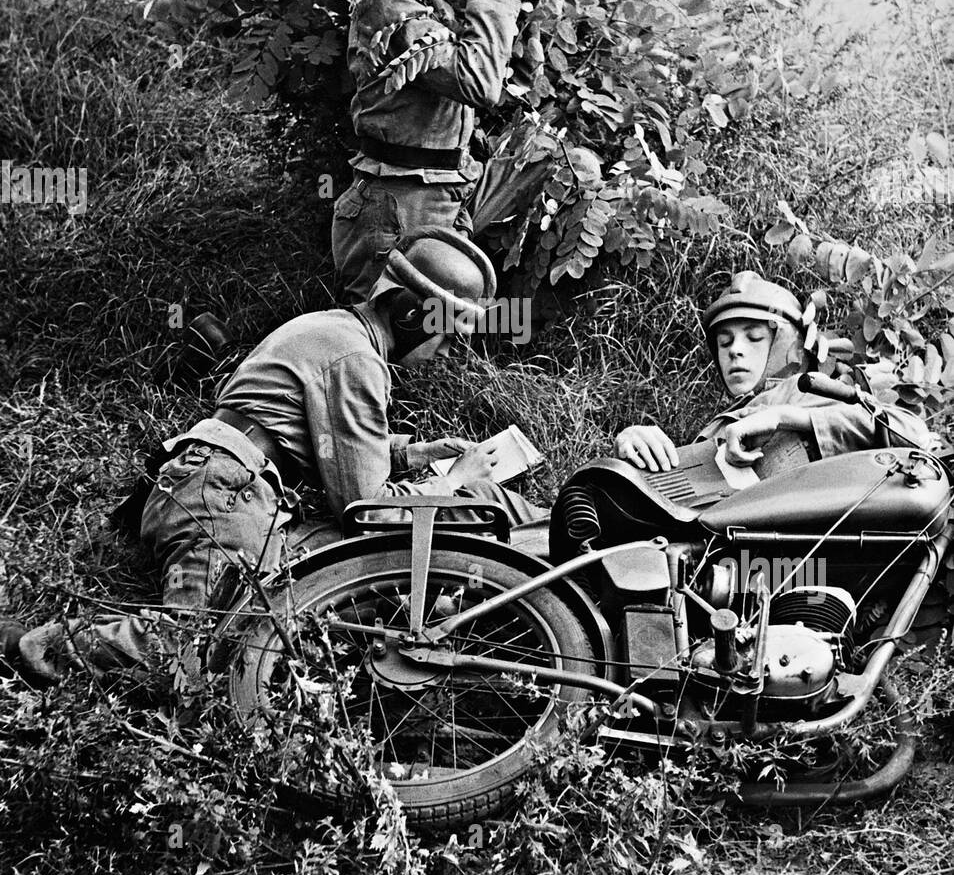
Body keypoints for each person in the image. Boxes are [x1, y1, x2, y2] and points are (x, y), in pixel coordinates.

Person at [9, 229, 546, 684]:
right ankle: (28, 647)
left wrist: (414, 454)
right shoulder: (356, 360)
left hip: (215, 481)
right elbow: (369, 511)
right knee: (199, 652)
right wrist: (453, 483)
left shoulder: (338, 333)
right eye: (446, 337)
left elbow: (315, 437)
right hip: (222, 492)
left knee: (308, 595)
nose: (446, 353)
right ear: (410, 314)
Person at [332, 0, 528, 302]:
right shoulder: (385, 1)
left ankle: (516, 320)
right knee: (405, 343)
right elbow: (479, 85)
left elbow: (508, 74)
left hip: (452, 188)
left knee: (553, 159)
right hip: (400, 207)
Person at [614, 271, 931, 473]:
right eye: (724, 342)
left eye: (753, 337)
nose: (735, 350)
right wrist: (632, 451)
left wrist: (782, 417)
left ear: (785, 342)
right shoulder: (716, 429)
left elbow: (915, 436)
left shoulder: (828, 388)